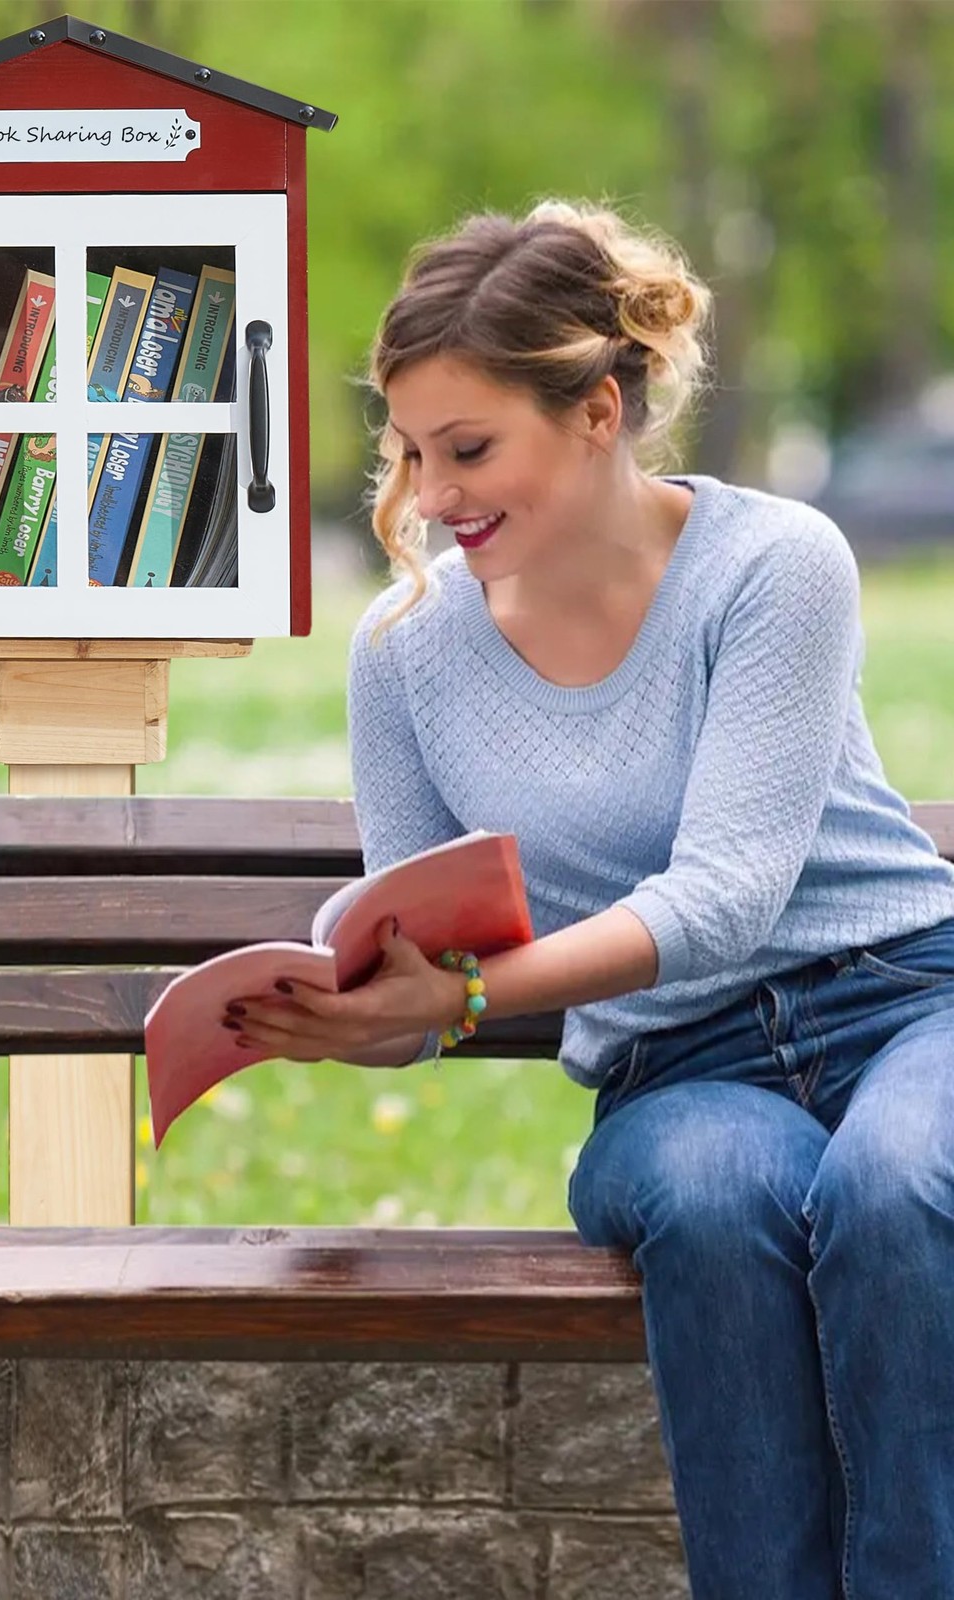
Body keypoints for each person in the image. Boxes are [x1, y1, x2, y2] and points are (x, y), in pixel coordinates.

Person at [224, 200, 954, 1599]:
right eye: (413, 452)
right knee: (719, 1195)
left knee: (893, 1186)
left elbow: (732, 896)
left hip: (904, 1004)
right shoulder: (408, 655)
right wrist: (353, 1018)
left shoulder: (776, 566)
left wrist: (478, 994)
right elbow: (425, 948)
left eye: (471, 448)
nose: (433, 495)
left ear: (602, 410)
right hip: (677, 1071)